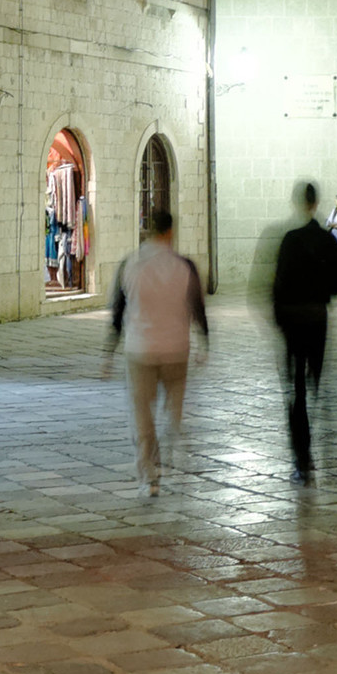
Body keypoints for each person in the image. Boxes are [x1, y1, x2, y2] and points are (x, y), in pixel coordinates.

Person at [104, 208, 209, 498]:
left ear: (148, 230)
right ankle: (169, 449)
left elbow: (118, 311)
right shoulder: (185, 265)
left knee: (141, 413)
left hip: (140, 349)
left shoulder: (130, 264)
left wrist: (108, 353)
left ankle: (149, 476)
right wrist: (205, 343)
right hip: (177, 349)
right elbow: (198, 308)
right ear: (171, 231)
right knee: (172, 411)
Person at [272, 180, 337, 485]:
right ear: (316, 204)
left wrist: (280, 318)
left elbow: (277, 284)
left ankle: (301, 460)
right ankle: (315, 451)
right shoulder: (326, 240)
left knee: (296, 392)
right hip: (317, 320)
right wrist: (321, 290)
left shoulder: (290, 240)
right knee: (314, 386)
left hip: (293, 323)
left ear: (298, 203)